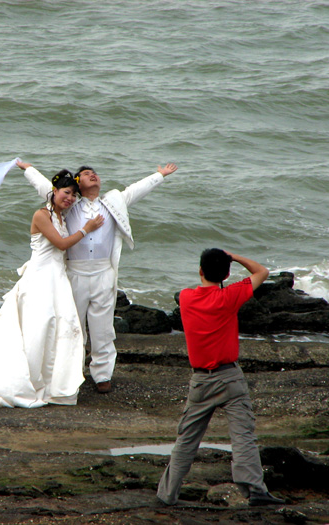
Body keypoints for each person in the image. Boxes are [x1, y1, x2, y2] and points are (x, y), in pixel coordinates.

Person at [20, 160, 178, 393]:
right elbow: (47, 188)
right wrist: (28, 170)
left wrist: (159, 175)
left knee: (103, 328)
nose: (92, 175)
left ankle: (102, 375)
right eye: (85, 173)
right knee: (73, 327)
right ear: (77, 184)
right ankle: (72, 372)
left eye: (94, 173)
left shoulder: (113, 201)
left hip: (104, 272)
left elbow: (135, 190)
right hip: (75, 273)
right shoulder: (70, 205)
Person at [0, 170, 104, 408]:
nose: (70, 198)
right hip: (41, 279)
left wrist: (28, 168)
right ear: (54, 191)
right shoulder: (41, 215)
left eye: (74, 195)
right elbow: (61, 243)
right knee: (39, 326)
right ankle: (26, 381)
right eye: (66, 193)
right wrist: (87, 228)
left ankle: (51, 383)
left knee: (57, 327)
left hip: (57, 279)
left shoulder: (61, 217)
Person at [156, 249, 286, 507]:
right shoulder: (229, 296)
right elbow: (262, 272)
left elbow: (202, 288)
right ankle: (255, 490)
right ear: (226, 274)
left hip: (200, 381)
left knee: (186, 440)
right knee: (243, 436)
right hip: (229, 378)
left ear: (200, 271)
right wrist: (235, 257)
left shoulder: (186, 297)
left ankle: (167, 495)